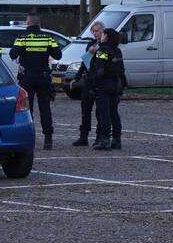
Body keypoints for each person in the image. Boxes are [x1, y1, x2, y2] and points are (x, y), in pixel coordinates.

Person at [9, 10, 62, 150]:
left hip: (27, 77)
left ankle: (29, 137)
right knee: (45, 107)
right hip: (43, 77)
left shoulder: (23, 38)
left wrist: (20, 46)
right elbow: (58, 55)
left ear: (28, 23)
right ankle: (48, 139)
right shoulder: (48, 38)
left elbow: (12, 54)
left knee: (27, 109)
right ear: (39, 23)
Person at [89, 27, 126, 150]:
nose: (102, 36)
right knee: (114, 112)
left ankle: (104, 140)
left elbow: (100, 70)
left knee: (104, 113)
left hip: (104, 84)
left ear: (107, 37)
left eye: (104, 34)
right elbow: (122, 70)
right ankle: (117, 139)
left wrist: (94, 84)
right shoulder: (118, 51)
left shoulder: (102, 50)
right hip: (115, 84)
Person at [70, 21, 104, 147]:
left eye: (97, 31)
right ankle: (83, 136)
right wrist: (76, 78)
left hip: (100, 82)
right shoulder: (90, 44)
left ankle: (100, 137)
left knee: (100, 111)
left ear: (102, 32)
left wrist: (97, 51)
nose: (95, 33)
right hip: (88, 81)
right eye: (93, 31)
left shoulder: (106, 46)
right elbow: (85, 62)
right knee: (85, 110)